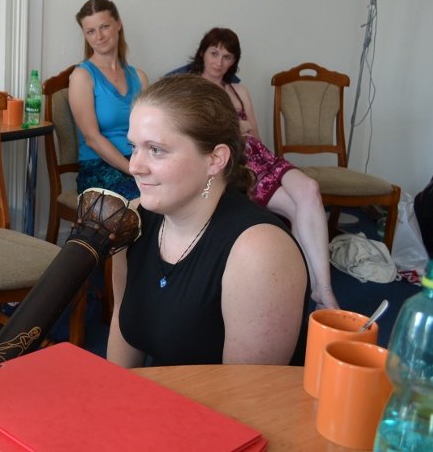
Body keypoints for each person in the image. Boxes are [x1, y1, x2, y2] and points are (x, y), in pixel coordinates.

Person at [107, 75, 307, 367]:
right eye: (134, 147)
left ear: (215, 159)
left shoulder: (260, 252)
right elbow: (122, 322)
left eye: (156, 150)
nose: (134, 166)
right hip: (158, 393)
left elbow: (246, 391)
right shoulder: (131, 220)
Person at [184, 27, 340, 310]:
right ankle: (317, 290)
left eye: (227, 56)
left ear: (234, 61)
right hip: (236, 162)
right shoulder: (193, 88)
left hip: (261, 155)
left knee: (309, 189)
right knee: (295, 209)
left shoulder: (239, 90)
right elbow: (196, 136)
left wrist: (248, 134)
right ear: (203, 53)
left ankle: (322, 286)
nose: (219, 62)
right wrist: (235, 128)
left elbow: (255, 132)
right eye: (214, 53)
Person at [69, 0, 149, 200]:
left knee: (179, 192)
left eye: (104, 26)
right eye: (91, 31)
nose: (99, 36)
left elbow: (150, 130)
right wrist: (133, 171)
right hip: (98, 165)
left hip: (138, 160)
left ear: (118, 24)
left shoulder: (139, 77)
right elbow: (92, 138)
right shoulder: (82, 76)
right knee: (144, 199)